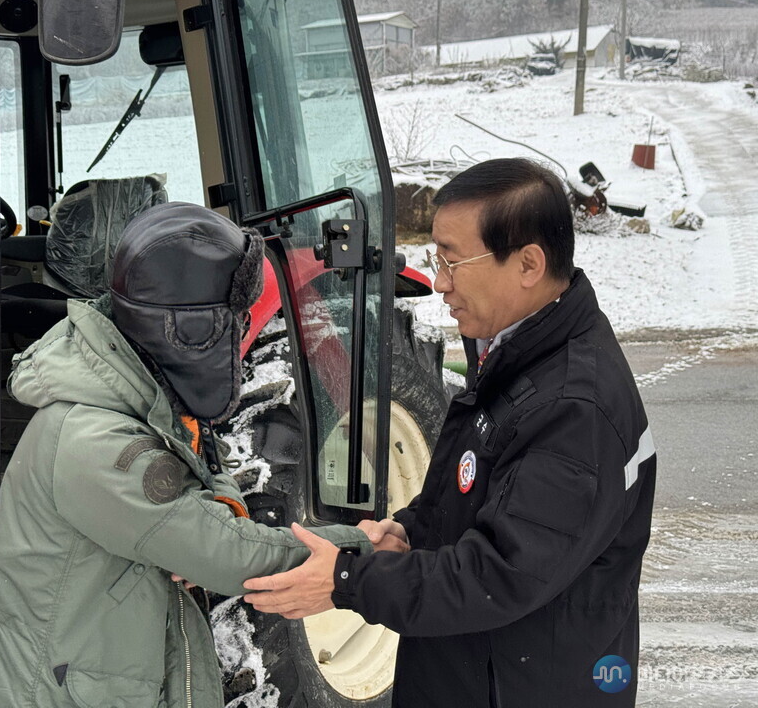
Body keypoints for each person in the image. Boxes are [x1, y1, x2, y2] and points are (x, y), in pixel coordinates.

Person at [243, 158, 657, 707]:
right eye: (436, 259)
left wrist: (347, 582)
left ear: (528, 263)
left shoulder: (575, 410)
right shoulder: (522, 352)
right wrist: (412, 531)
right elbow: (483, 489)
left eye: (453, 261)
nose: (439, 283)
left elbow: (499, 574)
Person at [0, 202, 375, 708]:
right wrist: (365, 547)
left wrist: (207, 517)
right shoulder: (100, 443)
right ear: (190, 332)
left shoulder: (134, 404)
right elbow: (236, 559)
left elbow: (203, 478)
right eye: (235, 318)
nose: (242, 327)